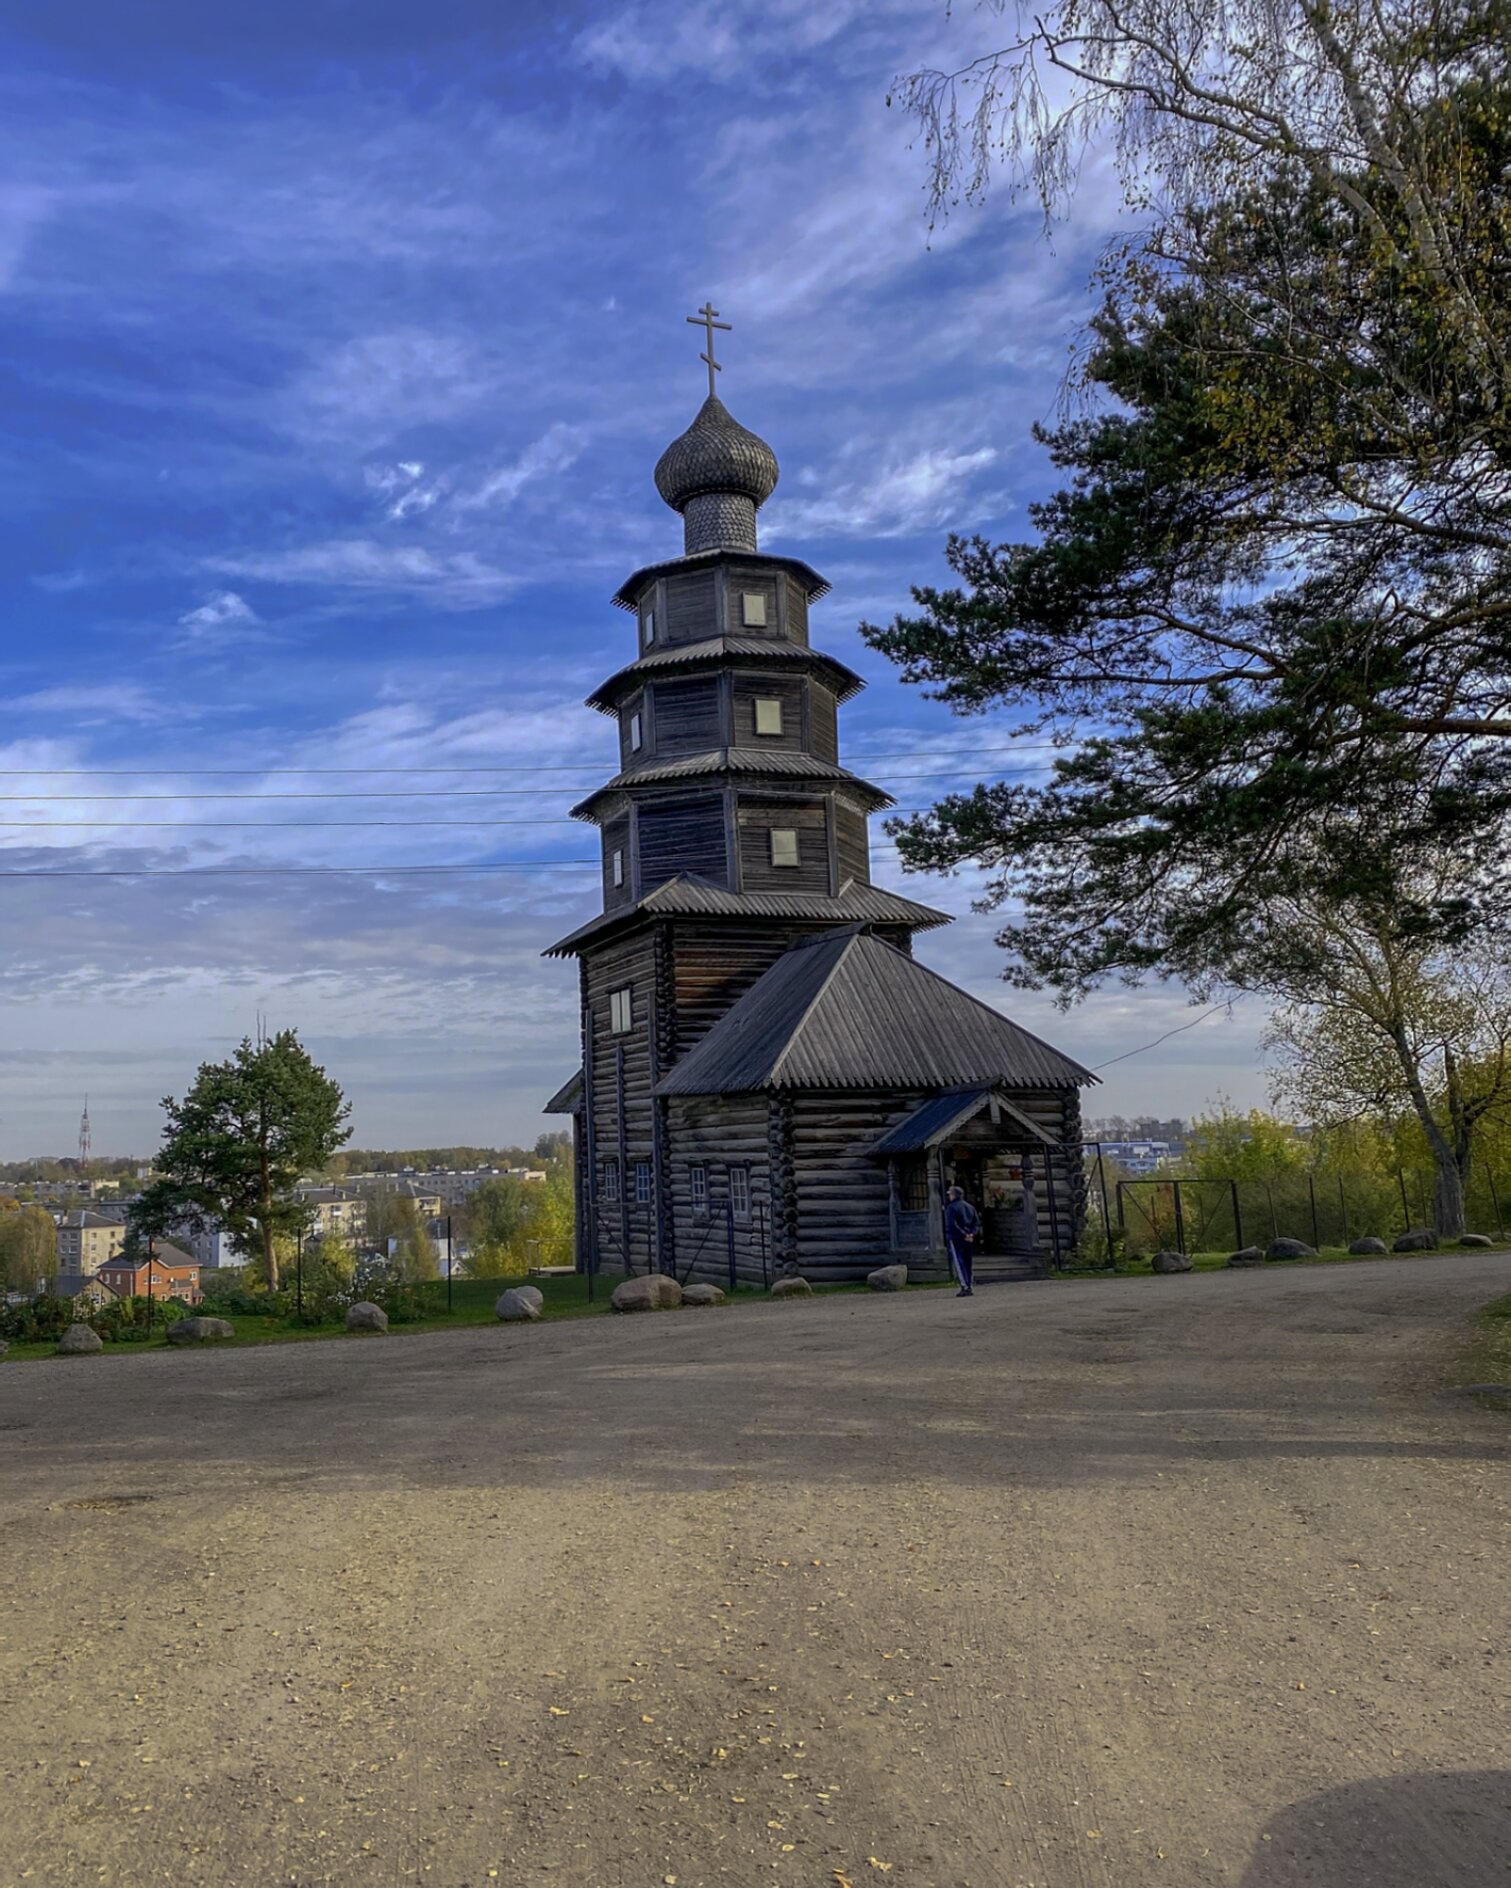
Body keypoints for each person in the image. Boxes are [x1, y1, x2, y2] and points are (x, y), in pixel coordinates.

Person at [944, 1185, 980, 1296]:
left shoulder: (951, 1207)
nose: (949, 1196)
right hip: (969, 1238)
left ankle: (965, 1286)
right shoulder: (970, 1207)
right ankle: (969, 1284)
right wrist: (971, 1234)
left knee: (959, 1262)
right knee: (968, 1262)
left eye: (950, 1194)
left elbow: (952, 1225)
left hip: (956, 1238)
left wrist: (963, 1234)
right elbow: (976, 1223)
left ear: (954, 1195)